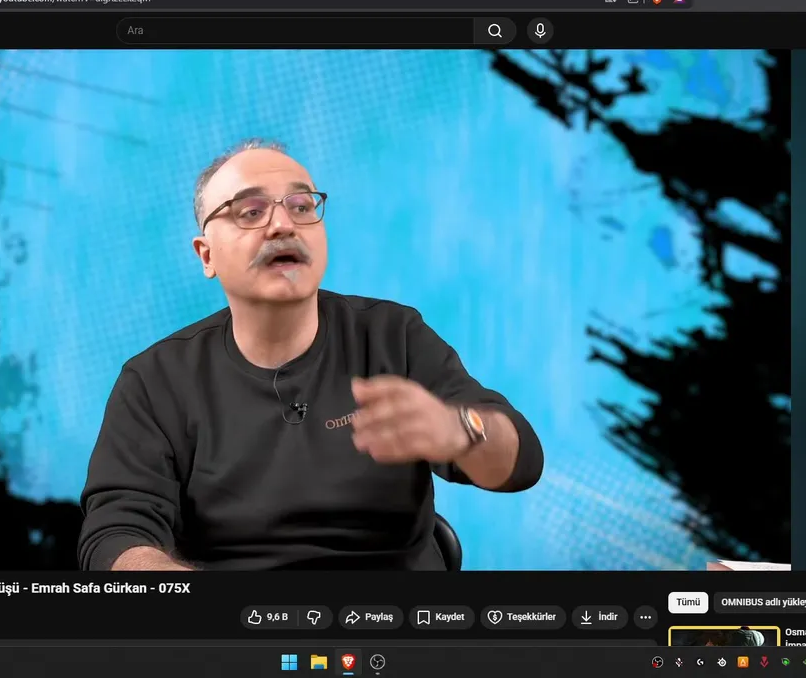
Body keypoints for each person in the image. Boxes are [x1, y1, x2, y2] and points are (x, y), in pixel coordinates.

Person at [78, 139, 543, 571]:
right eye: (250, 211)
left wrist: (460, 430)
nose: (283, 224)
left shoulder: (394, 336)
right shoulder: (155, 380)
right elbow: (115, 535)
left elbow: (521, 463)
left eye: (301, 206)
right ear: (207, 255)